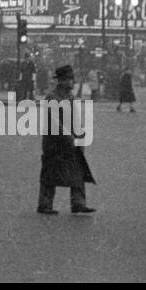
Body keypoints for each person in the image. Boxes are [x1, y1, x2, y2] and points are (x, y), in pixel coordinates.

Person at [37, 65, 96, 215]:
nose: (72, 83)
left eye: (72, 79)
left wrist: (80, 133)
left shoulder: (70, 97)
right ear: (61, 81)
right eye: (69, 79)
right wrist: (68, 136)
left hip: (69, 141)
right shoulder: (52, 98)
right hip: (54, 142)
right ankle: (45, 204)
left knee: (78, 171)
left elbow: (75, 118)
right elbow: (55, 121)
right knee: (50, 174)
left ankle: (78, 203)